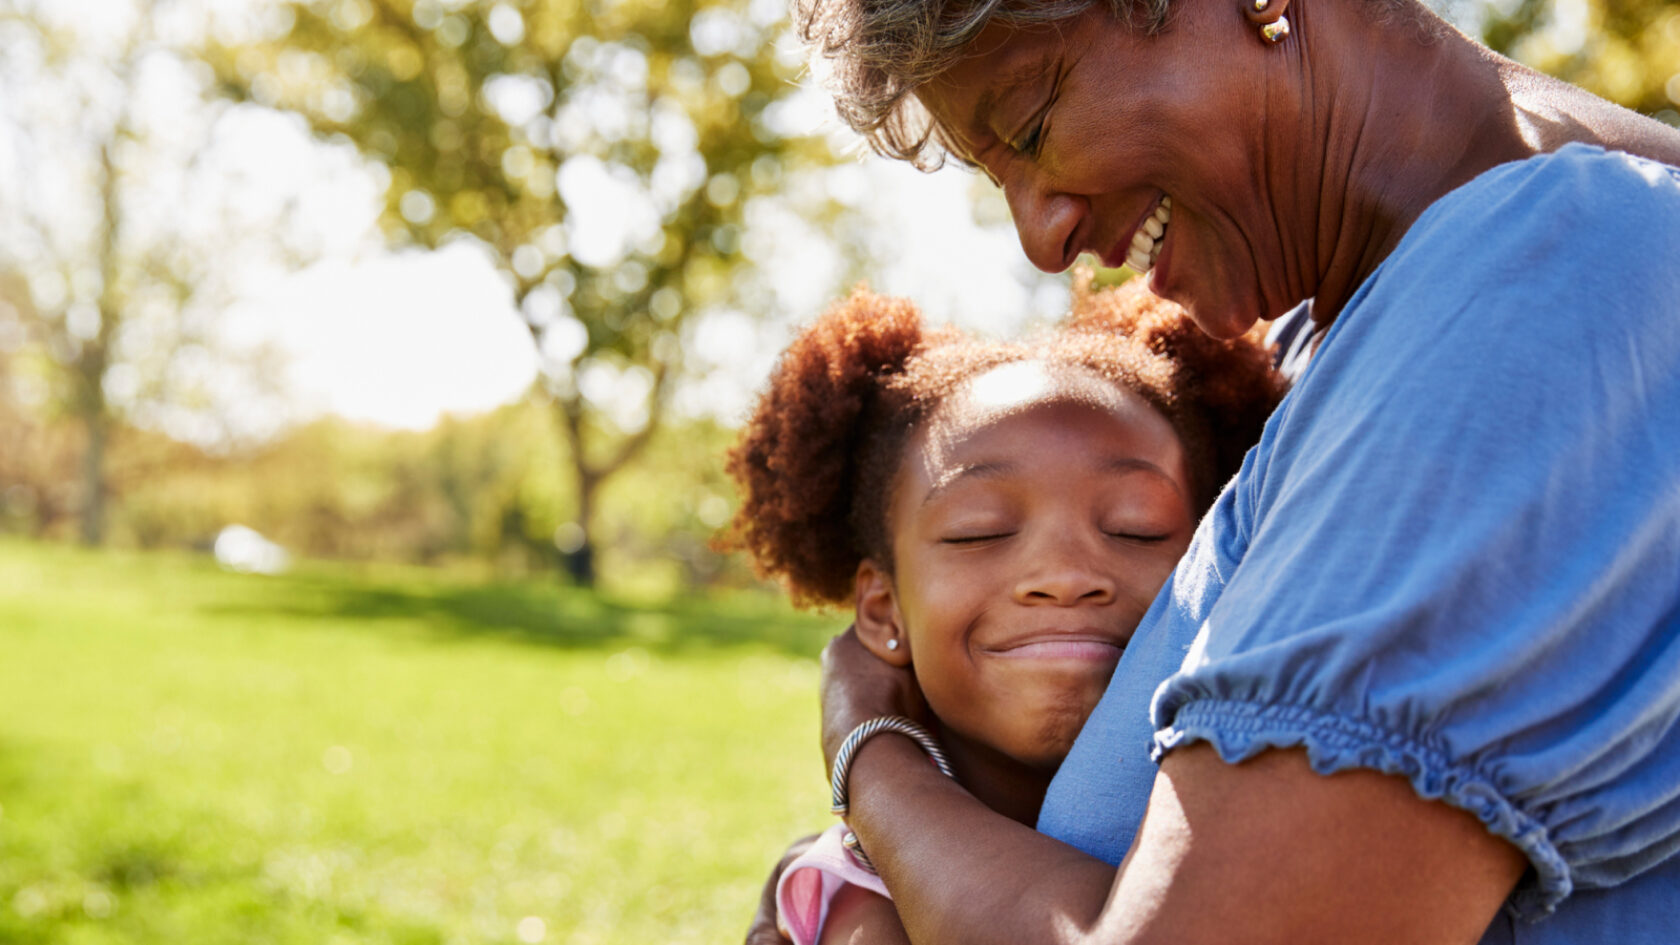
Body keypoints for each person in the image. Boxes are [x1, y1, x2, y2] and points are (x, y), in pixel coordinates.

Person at [743, 0, 1680, 942]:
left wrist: (870, 754)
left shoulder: (1543, 290)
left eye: (1032, 126)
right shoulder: (1320, 342)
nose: (1041, 238)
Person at [723, 280, 1284, 944]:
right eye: (978, 531)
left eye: (1137, 527)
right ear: (882, 609)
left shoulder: (1273, 813)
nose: (1064, 576)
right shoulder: (859, 904)